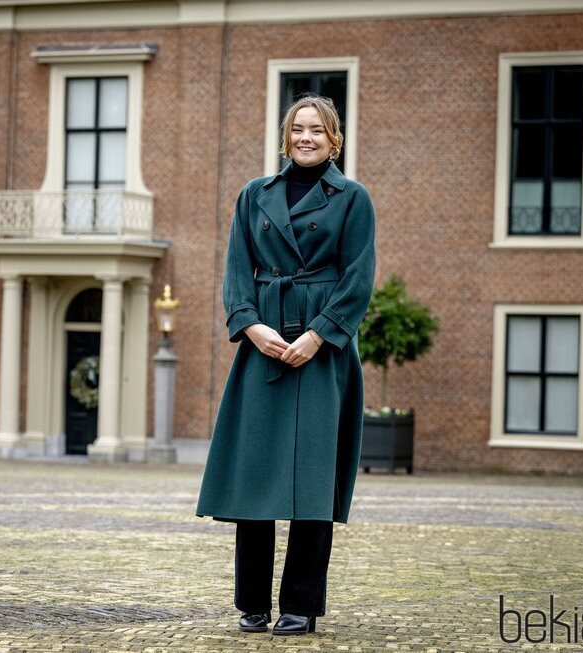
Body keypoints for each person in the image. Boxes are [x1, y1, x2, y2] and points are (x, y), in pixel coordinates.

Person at [194, 94, 377, 636]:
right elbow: (235, 271)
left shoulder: (353, 198)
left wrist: (319, 336)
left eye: (317, 130)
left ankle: (300, 605)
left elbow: (358, 279)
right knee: (255, 477)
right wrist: (252, 327)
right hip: (263, 346)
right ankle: (252, 603)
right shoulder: (254, 196)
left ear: (334, 139)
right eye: (297, 128)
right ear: (284, 136)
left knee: (311, 483)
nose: (306, 137)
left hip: (324, 355)